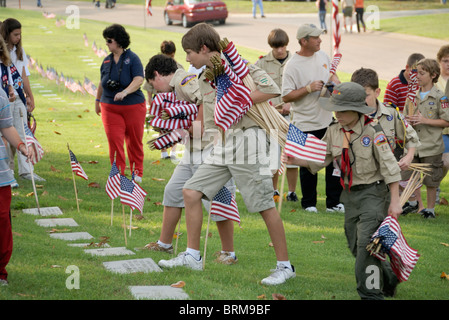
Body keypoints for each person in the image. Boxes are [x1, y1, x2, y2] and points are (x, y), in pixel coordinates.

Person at [158, 23, 295, 286]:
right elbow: (209, 116)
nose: (186, 58)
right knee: (191, 191)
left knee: (264, 205)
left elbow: (271, 89)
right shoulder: (205, 75)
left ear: (204, 48)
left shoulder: (237, 65)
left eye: (189, 52)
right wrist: (179, 131)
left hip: (247, 142)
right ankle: (193, 256)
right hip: (223, 143)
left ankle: (285, 266)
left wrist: (240, 99)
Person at [282, 82, 403, 300]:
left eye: (342, 110)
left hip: (374, 194)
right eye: (335, 109)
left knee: (367, 246)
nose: (336, 114)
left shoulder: (373, 131)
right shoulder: (333, 130)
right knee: (356, 245)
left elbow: (390, 168)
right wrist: (296, 160)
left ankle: (370, 294)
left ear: (357, 110)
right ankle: (389, 276)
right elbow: (322, 159)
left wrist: (395, 201)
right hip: (349, 195)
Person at [143, 54, 238, 264]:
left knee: (218, 200)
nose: (157, 90)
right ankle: (165, 244)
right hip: (192, 150)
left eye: (153, 84)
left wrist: (195, 128)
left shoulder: (184, 80)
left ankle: (229, 253)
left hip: (210, 149)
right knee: (172, 191)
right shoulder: (176, 86)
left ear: (157, 74)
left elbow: (205, 100)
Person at [282, 23, 343, 213]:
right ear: (304, 41)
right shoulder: (292, 65)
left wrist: (336, 83)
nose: (320, 40)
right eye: (316, 37)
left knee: (334, 160)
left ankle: (333, 203)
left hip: (327, 120)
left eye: (319, 36)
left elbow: (331, 75)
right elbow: (286, 96)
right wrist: (308, 89)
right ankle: (309, 203)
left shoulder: (323, 56)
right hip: (304, 123)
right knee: (308, 164)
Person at [351, 68, 421, 214]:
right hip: (361, 182)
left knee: (384, 223)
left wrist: (409, 156)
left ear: (377, 92)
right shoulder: (349, 116)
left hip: (387, 182)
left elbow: (411, 136)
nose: (360, 100)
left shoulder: (391, 114)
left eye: (365, 95)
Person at [95, 24, 146, 182]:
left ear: (118, 41)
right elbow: (102, 82)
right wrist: (97, 100)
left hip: (133, 106)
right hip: (109, 107)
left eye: (109, 40)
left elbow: (139, 79)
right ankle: (118, 175)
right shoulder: (106, 61)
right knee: (114, 141)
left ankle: (137, 172)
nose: (107, 43)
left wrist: (125, 92)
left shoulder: (133, 59)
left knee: (134, 141)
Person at [402, 58, 449, 218]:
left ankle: (430, 209)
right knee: (409, 175)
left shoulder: (440, 97)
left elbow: (446, 121)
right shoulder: (412, 95)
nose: (418, 76)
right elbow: (404, 116)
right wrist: (407, 120)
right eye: (417, 73)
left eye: (422, 73)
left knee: (431, 179)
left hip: (431, 146)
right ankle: (414, 203)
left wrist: (425, 120)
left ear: (433, 75)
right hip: (413, 145)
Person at [255, 28, 298, 202]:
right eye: (275, 47)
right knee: (273, 154)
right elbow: (254, 87)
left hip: (294, 116)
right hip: (272, 116)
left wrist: (291, 103)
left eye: (282, 46)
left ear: (287, 45)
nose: (279, 50)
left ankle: (292, 192)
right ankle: (274, 190)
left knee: (293, 156)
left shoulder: (296, 61)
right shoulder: (262, 63)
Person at [0, 18, 43, 187]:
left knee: (23, 132)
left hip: (18, 97)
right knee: (7, 135)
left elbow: (23, 75)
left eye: (20, 34)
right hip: (5, 98)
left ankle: (27, 170)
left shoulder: (19, 51)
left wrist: (29, 96)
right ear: (7, 33)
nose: (18, 37)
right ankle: (8, 172)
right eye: (15, 34)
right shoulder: (2, 52)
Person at [1, 88, 34, 286]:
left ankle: (0, 271)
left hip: (1, 173)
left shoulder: (0, 95)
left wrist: (21, 146)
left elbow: (6, 126)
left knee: (2, 221)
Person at [143, 40, 184, 160]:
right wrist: (150, 99)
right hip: (160, 100)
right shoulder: (155, 65)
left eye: (171, 56)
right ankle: (163, 150)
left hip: (174, 100)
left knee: (175, 125)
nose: (169, 58)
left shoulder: (178, 66)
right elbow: (150, 85)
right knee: (162, 125)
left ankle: (174, 151)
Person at [436, 45, 449, 190]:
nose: (448, 64)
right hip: (441, 129)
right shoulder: (435, 80)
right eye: (445, 60)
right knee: (444, 163)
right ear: (439, 61)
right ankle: (436, 188)